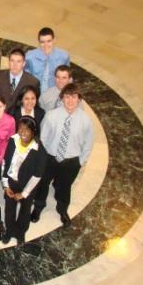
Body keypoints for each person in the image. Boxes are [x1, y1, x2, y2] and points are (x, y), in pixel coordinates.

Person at [31, 83, 94, 227]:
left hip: (71, 161)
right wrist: (44, 158)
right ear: (62, 98)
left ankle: (62, 209)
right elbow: (44, 139)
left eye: (74, 97)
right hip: (50, 158)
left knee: (64, 187)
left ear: (79, 99)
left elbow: (88, 143)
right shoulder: (51, 116)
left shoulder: (85, 120)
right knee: (42, 184)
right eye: (67, 97)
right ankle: (38, 207)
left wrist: (80, 161)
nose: (70, 100)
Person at [2, 116, 47, 245]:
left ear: (33, 131)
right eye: (20, 128)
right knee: (9, 209)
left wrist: (24, 193)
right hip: (11, 183)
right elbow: (5, 163)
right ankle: (9, 230)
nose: (22, 132)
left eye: (27, 130)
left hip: (27, 186)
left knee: (25, 210)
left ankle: (20, 232)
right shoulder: (13, 140)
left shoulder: (39, 150)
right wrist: (5, 185)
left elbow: (37, 176)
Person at [25, 27, 70, 93]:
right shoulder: (29, 57)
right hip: (35, 92)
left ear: (54, 40)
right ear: (38, 42)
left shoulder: (64, 56)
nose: (46, 45)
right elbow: (25, 76)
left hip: (55, 93)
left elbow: (68, 76)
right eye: (42, 42)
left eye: (49, 41)